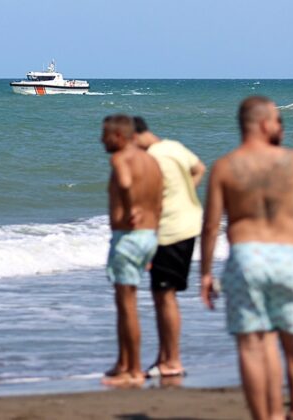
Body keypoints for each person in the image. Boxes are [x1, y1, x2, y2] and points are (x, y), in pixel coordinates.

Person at [200, 96, 293, 420]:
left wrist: (206, 274)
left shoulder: (226, 166)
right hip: (288, 256)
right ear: (265, 123)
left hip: (246, 257)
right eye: (278, 120)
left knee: (254, 346)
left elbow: (211, 226)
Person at [133, 117, 206, 378]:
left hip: (170, 231)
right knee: (163, 295)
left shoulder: (151, 158)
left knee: (165, 297)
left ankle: (172, 361)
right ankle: (164, 358)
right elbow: (200, 169)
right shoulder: (173, 147)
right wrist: (186, 195)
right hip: (187, 225)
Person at [100, 114, 163, 386]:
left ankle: (133, 370)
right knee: (127, 302)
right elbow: (160, 200)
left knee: (127, 306)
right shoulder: (152, 160)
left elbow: (125, 183)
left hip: (128, 236)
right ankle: (123, 363)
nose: (101, 140)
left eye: (105, 135)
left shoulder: (120, 159)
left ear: (119, 136)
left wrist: (129, 208)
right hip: (149, 235)